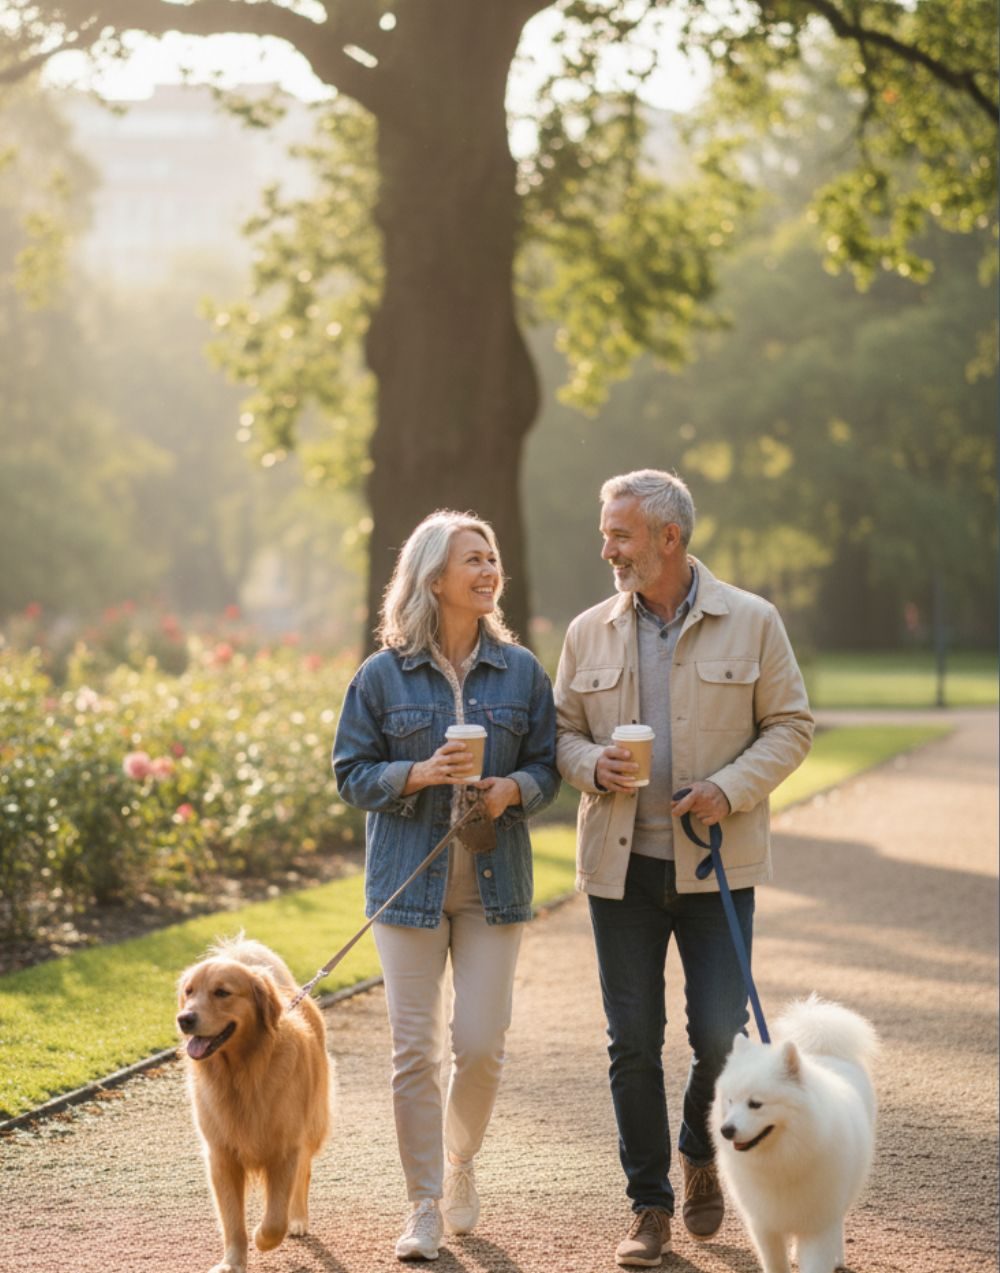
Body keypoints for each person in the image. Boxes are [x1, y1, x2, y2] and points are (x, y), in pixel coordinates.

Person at [554, 469, 813, 1268]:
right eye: (607, 533)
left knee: (715, 1035)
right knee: (631, 1040)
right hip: (620, 871)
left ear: (669, 537)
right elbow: (560, 732)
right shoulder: (587, 631)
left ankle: (699, 1148)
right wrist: (593, 763)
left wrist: (727, 789)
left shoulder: (754, 620)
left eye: (620, 535)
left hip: (717, 867)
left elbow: (792, 724)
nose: (607, 549)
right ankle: (649, 1205)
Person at [333, 510, 560, 1262]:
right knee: (413, 1052)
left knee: (481, 1044)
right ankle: (423, 1202)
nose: (490, 568)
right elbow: (350, 773)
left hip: (495, 884)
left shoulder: (522, 670)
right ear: (435, 577)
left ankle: (462, 1163)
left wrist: (512, 790)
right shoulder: (381, 675)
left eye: (493, 555)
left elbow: (550, 766)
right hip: (409, 883)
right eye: (474, 557)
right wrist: (417, 773)